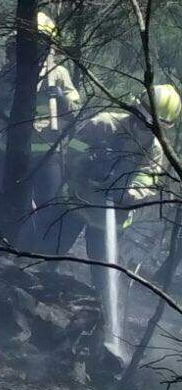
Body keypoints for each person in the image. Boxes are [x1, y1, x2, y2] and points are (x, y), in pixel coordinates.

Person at [47, 83, 180, 363]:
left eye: (154, 126)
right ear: (135, 110)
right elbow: (71, 151)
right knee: (49, 252)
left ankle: (106, 332)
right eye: (144, 120)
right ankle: (37, 303)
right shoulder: (103, 124)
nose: (146, 129)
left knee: (106, 276)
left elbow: (149, 179)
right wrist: (88, 163)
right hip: (76, 204)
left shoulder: (154, 148)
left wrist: (130, 193)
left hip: (109, 220)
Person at [0, 12, 82, 248]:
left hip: (46, 155)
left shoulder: (57, 74)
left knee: (47, 206)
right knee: (6, 203)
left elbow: (76, 107)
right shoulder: (4, 76)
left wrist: (63, 99)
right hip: (9, 153)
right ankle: (2, 248)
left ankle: (37, 253)